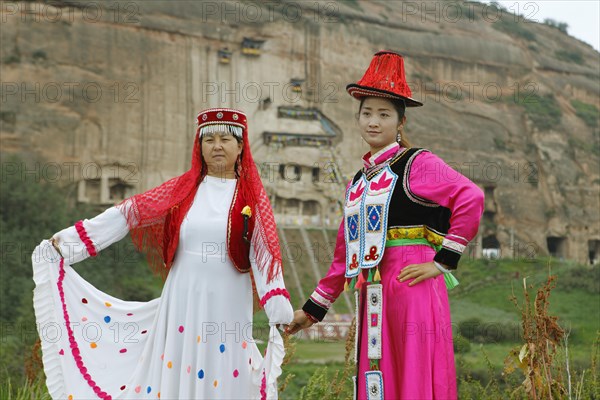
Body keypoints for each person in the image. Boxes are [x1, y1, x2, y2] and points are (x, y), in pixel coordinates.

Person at [32, 108, 294, 400]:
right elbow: (128, 214)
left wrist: (279, 311)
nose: (217, 146)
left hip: (228, 303)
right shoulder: (183, 190)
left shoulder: (250, 199)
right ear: (200, 146)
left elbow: (264, 257)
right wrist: (69, 243)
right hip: (181, 299)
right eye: (209, 140)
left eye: (225, 139)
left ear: (241, 146)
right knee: (177, 369)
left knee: (223, 368)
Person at [286, 51, 485, 400]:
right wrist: (313, 311)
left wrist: (442, 261)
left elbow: (471, 196)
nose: (373, 122)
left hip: (413, 287)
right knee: (378, 378)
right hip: (373, 291)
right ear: (358, 119)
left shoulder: (418, 163)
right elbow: (344, 255)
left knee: (414, 375)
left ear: (400, 122)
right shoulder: (358, 183)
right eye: (366, 114)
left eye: (383, 114)